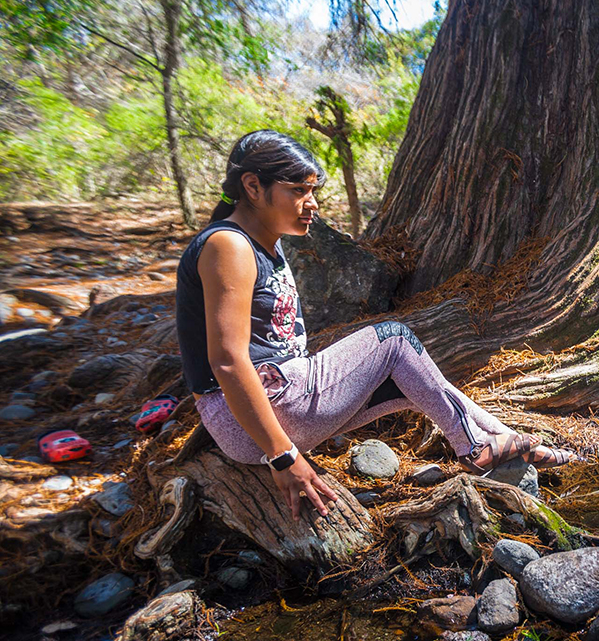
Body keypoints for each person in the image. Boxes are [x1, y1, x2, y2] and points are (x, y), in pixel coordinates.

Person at [176, 130, 577, 520]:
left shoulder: (264, 242)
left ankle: (505, 441)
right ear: (252, 186)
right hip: (262, 414)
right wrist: (284, 456)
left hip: (274, 406)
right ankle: (474, 448)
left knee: (416, 378)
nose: (312, 203)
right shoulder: (228, 245)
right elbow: (227, 361)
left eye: (312, 191)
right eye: (298, 191)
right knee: (395, 338)